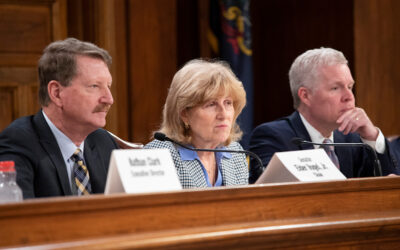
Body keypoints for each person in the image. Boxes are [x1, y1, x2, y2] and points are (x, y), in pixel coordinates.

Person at [249, 47, 398, 183]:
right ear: (306, 96)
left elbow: (389, 187)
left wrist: (372, 136)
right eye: (335, 88)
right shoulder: (273, 137)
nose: (349, 96)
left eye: (350, 87)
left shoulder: (353, 139)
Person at [0, 38, 119, 198]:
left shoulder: (103, 141)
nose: (108, 99)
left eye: (108, 86)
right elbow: (20, 219)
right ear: (56, 93)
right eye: (94, 86)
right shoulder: (19, 142)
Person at [145, 59, 248, 188]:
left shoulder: (235, 152)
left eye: (228, 103)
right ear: (184, 114)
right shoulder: (158, 156)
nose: (224, 114)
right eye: (211, 104)